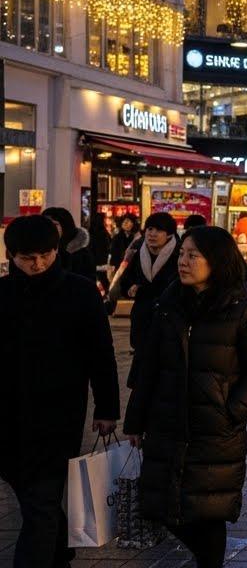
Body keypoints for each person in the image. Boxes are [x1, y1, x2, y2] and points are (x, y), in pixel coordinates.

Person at [123, 226, 247, 568]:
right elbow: (146, 366)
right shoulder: (167, 306)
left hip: (215, 431)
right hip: (167, 423)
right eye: (182, 254)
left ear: (217, 261)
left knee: (208, 512)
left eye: (194, 255)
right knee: (161, 506)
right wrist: (135, 419)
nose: (184, 261)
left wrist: (232, 410)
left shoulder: (242, 313)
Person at [1, 216, 119, 568]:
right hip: (6, 418)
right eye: (27, 257)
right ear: (12, 255)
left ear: (56, 251)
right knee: (38, 502)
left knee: (41, 504)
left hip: (59, 415)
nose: (37, 264)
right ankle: (59, 556)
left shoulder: (79, 291)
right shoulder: (2, 294)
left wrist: (107, 407)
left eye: (45, 254)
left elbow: (101, 353)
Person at [120, 212, 182, 376]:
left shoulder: (179, 254)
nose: (152, 234)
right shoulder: (140, 251)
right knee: (141, 377)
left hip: (168, 323)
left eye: (158, 230)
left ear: (169, 234)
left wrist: (143, 290)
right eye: (150, 229)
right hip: (143, 321)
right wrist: (130, 288)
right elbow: (125, 280)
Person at [42, 206, 98, 281]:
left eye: (55, 224)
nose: (49, 228)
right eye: (45, 224)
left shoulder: (81, 255)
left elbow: (87, 284)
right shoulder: (38, 250)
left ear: (65, 226)